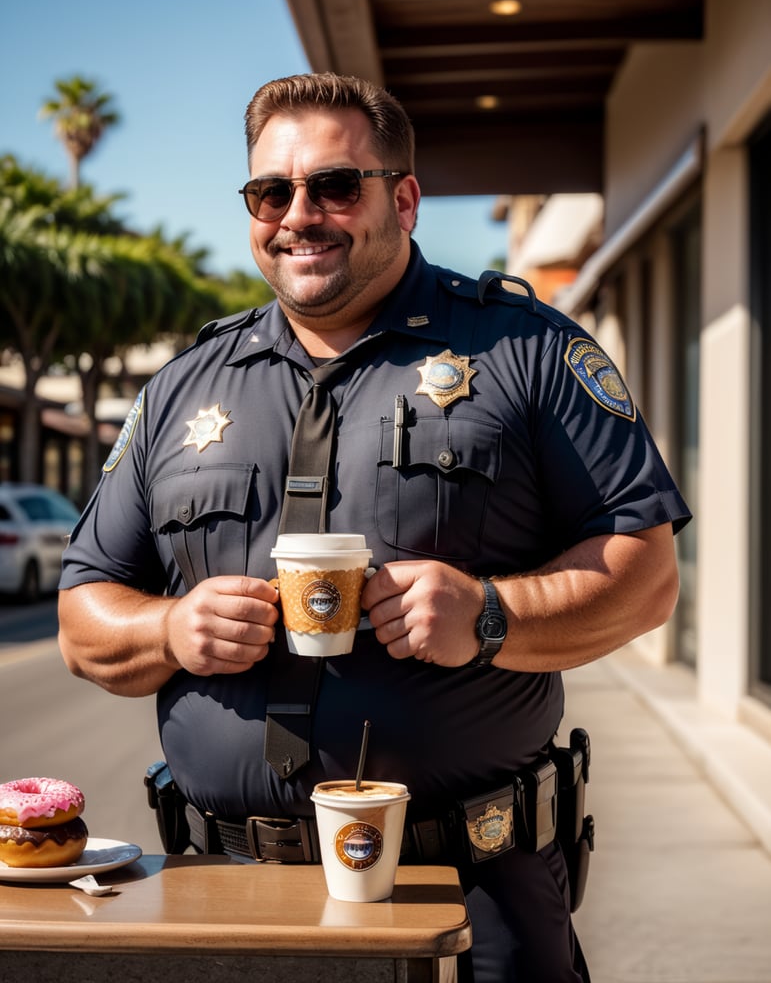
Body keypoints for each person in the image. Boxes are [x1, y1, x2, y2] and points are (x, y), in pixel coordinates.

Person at [58, 72, 691, 982]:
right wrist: (168, 626)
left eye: (334, 186)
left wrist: (488, 615)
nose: (298, 213)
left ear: (403, 198)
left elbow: (645, 575)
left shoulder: (529, 351)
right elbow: (85, 613)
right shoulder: (181, 386)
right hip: (217, 894)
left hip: (467, 896)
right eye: (270, 191)